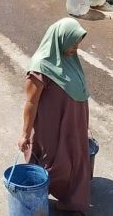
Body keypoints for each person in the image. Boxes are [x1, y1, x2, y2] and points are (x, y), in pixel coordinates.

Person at [19, 18, 91, 215]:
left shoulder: (69, 60)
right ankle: (34, 196)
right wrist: (25, 134)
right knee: (56, 162)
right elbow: (31, 103)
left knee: (76, 159)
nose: (76, 46)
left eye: (78, 42)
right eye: (73, 42)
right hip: (52, 127)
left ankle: (73, 201)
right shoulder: (40, 67)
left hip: (73, 124)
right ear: (59, 39)